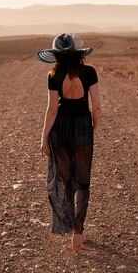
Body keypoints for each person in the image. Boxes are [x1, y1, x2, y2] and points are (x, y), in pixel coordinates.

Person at [36, 33, 101, 252]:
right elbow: (97, 106)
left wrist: (44, 136)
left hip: (60, 130)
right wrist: (94, 126)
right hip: (82, 128)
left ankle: (71, 225)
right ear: (77, 53)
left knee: (65, 180)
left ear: (57, 55)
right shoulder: (89, 73)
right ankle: (78, 232)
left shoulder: (53, 75)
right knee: (82, 181)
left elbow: (52, 109)